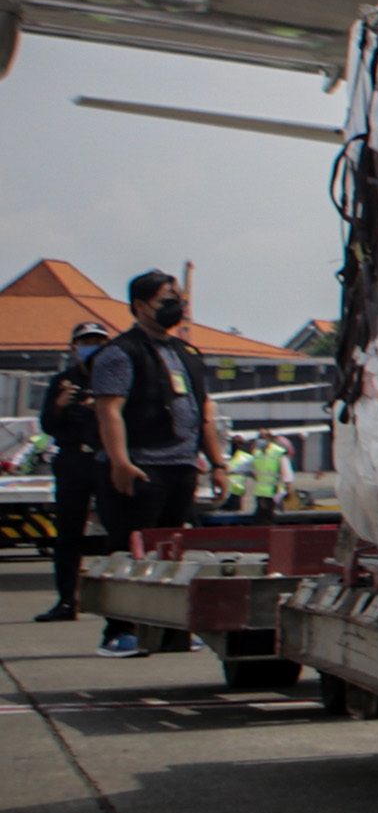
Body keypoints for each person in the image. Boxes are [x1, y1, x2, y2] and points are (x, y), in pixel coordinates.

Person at [89, 272, 224, 657]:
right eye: (167, 299)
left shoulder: (186, 354)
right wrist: (120, 461)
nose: (176, 306)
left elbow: (205, 412)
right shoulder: (120, 352)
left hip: (181, 463)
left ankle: (168, 629)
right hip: (141, 465)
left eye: (177, 299)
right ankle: (119, 630)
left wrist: (217, 463)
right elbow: (109, 411)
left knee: (171, 548)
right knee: (129, 546)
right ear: (140, 305)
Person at [31, 318, 118, 624]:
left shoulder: (114, 379)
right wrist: (59, 405)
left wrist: (99, 407)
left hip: (105, 458)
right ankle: (67, 600)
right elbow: (47, 426)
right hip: (71, 460)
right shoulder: (62, 381)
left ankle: (119, 603)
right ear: (73, 347)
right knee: (68, 533)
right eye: (86, 343)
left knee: (117, 530)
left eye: (98, 342)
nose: (92, 348)